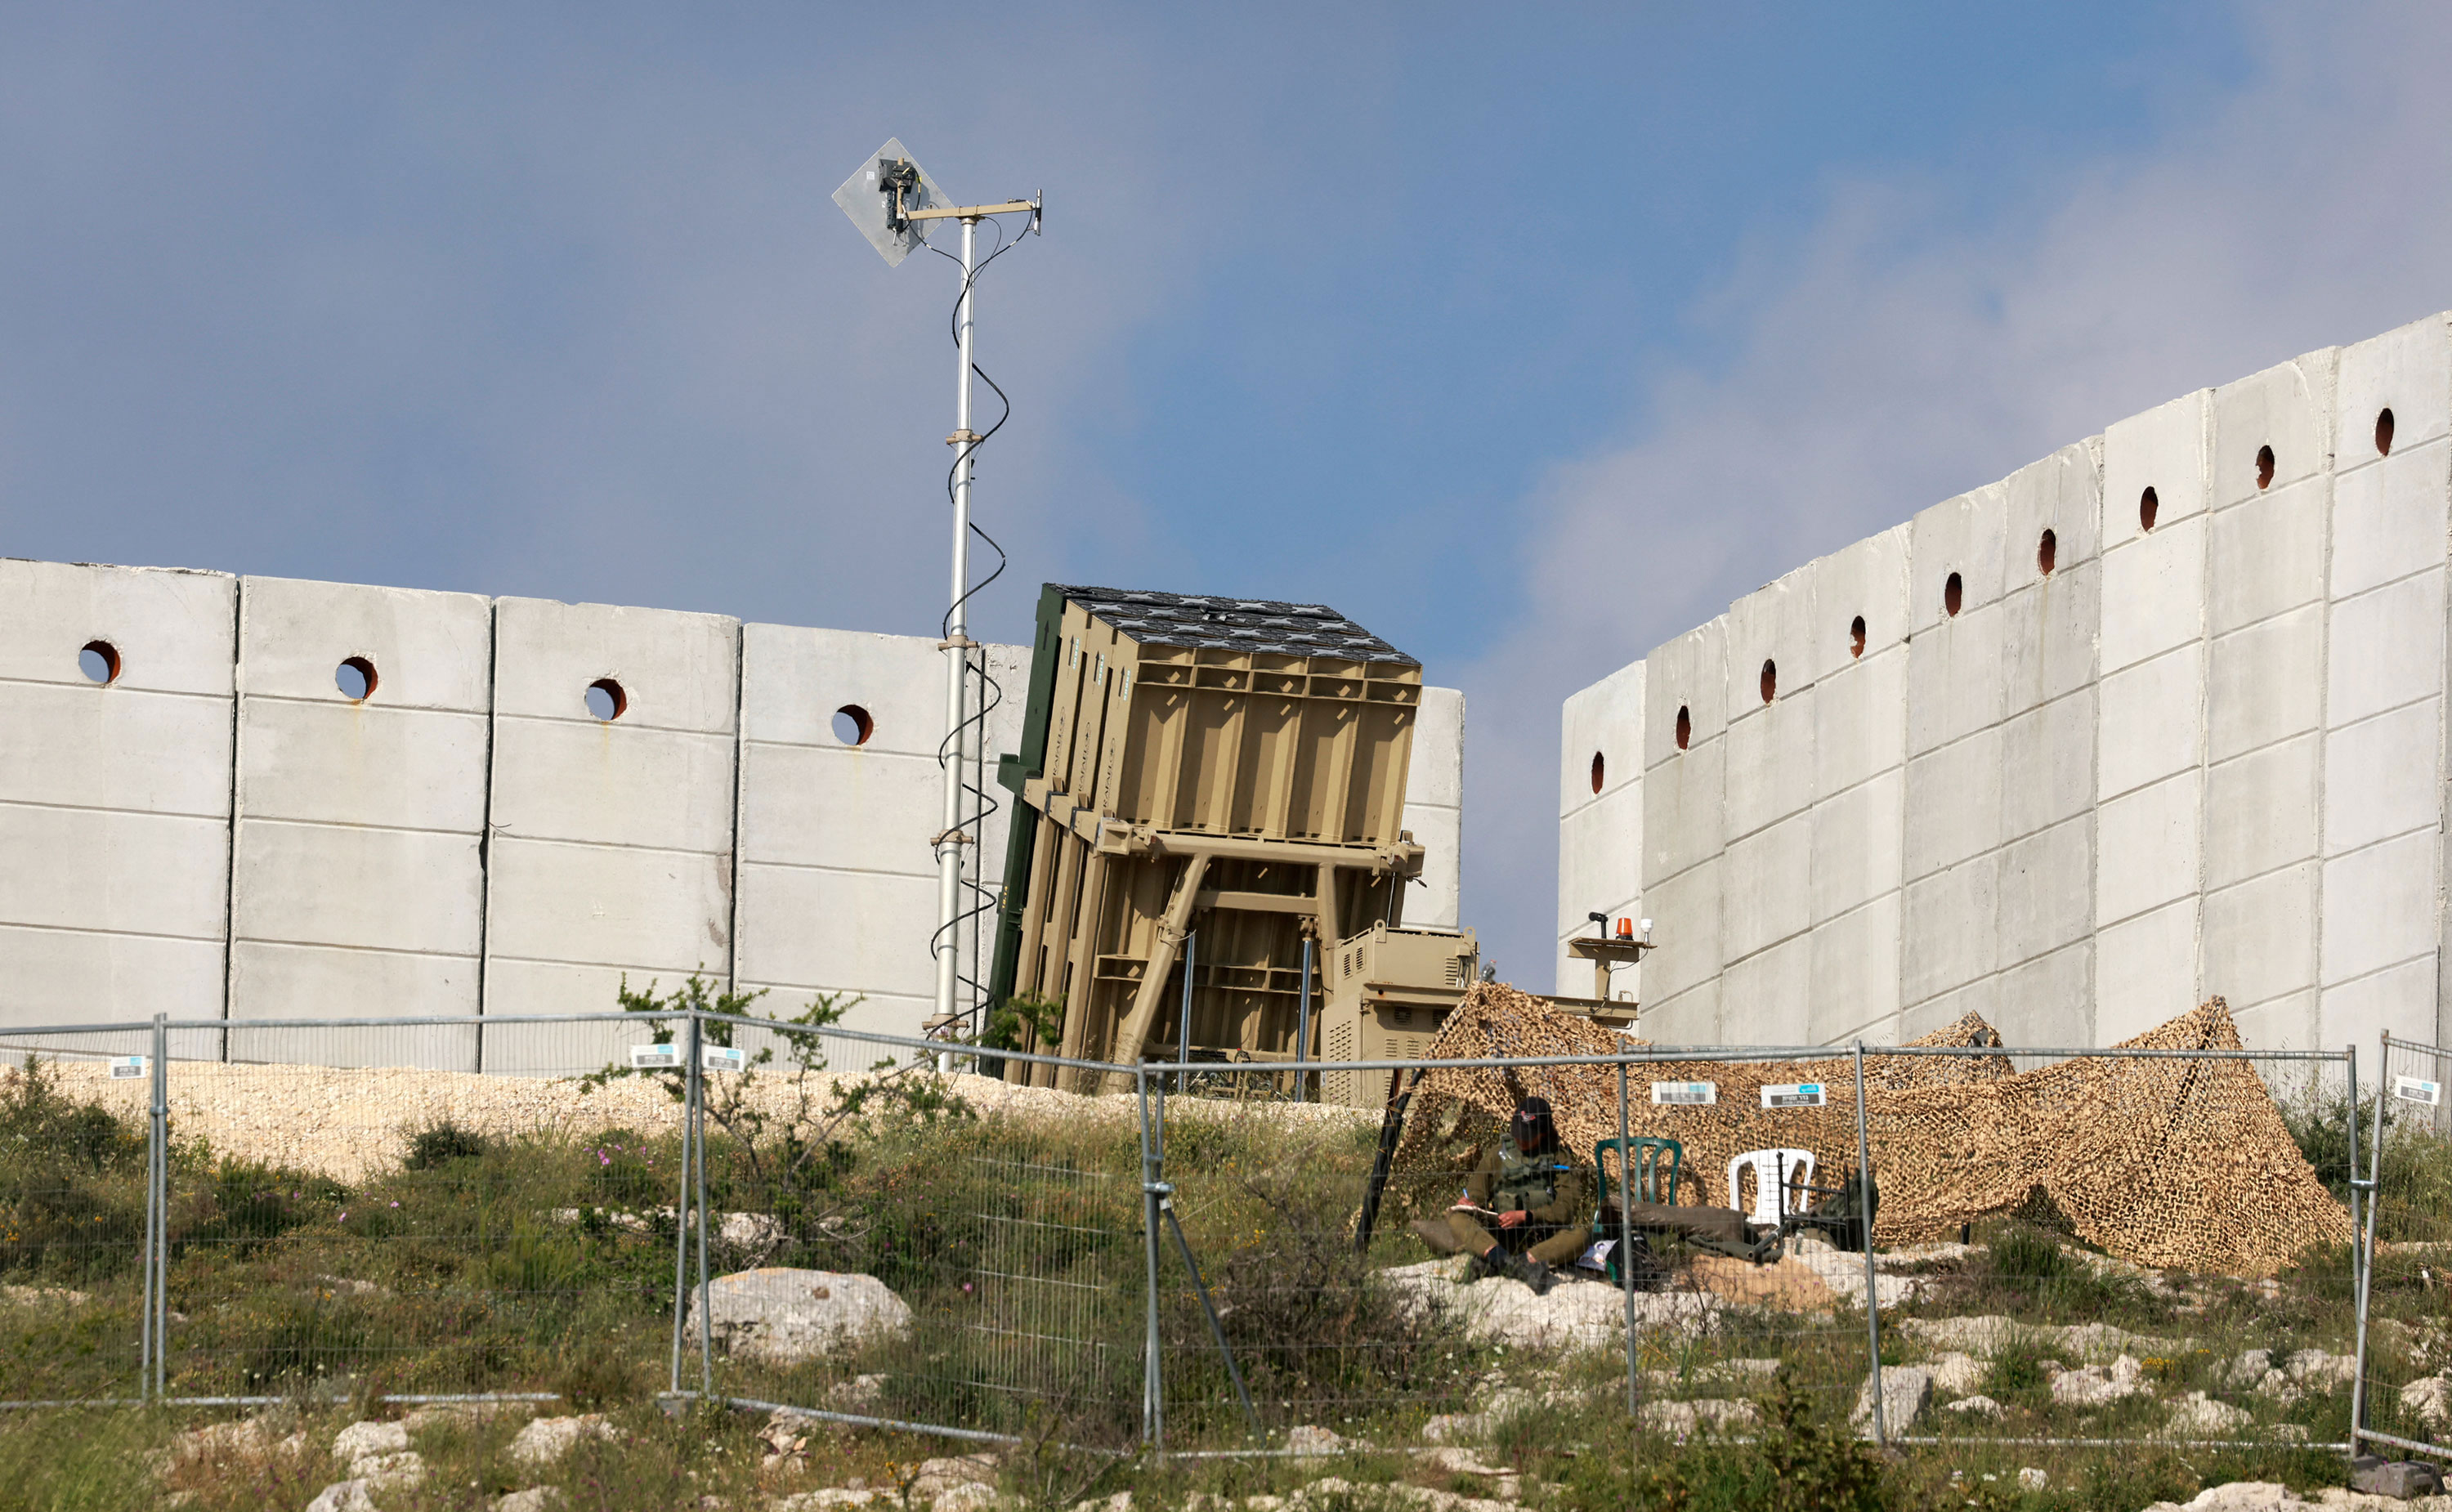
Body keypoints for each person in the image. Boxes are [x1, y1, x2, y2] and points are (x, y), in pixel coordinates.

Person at [1412, 1096, 1591, 1294]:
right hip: (1501, 1239)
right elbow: (1475, 1193)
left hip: (1541, 1240)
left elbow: (1564, 1210)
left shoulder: (1561, 1160)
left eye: (1528, 1135)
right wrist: (1468, 1201)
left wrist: (1526, 1216)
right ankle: (1507, 1262)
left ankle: (1509, 1264)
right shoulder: (1498, 1155)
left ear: (1544, 1133)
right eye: (1518, 1133)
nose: (1520, 1139)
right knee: (1456, 1216)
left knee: (1582, 1235)